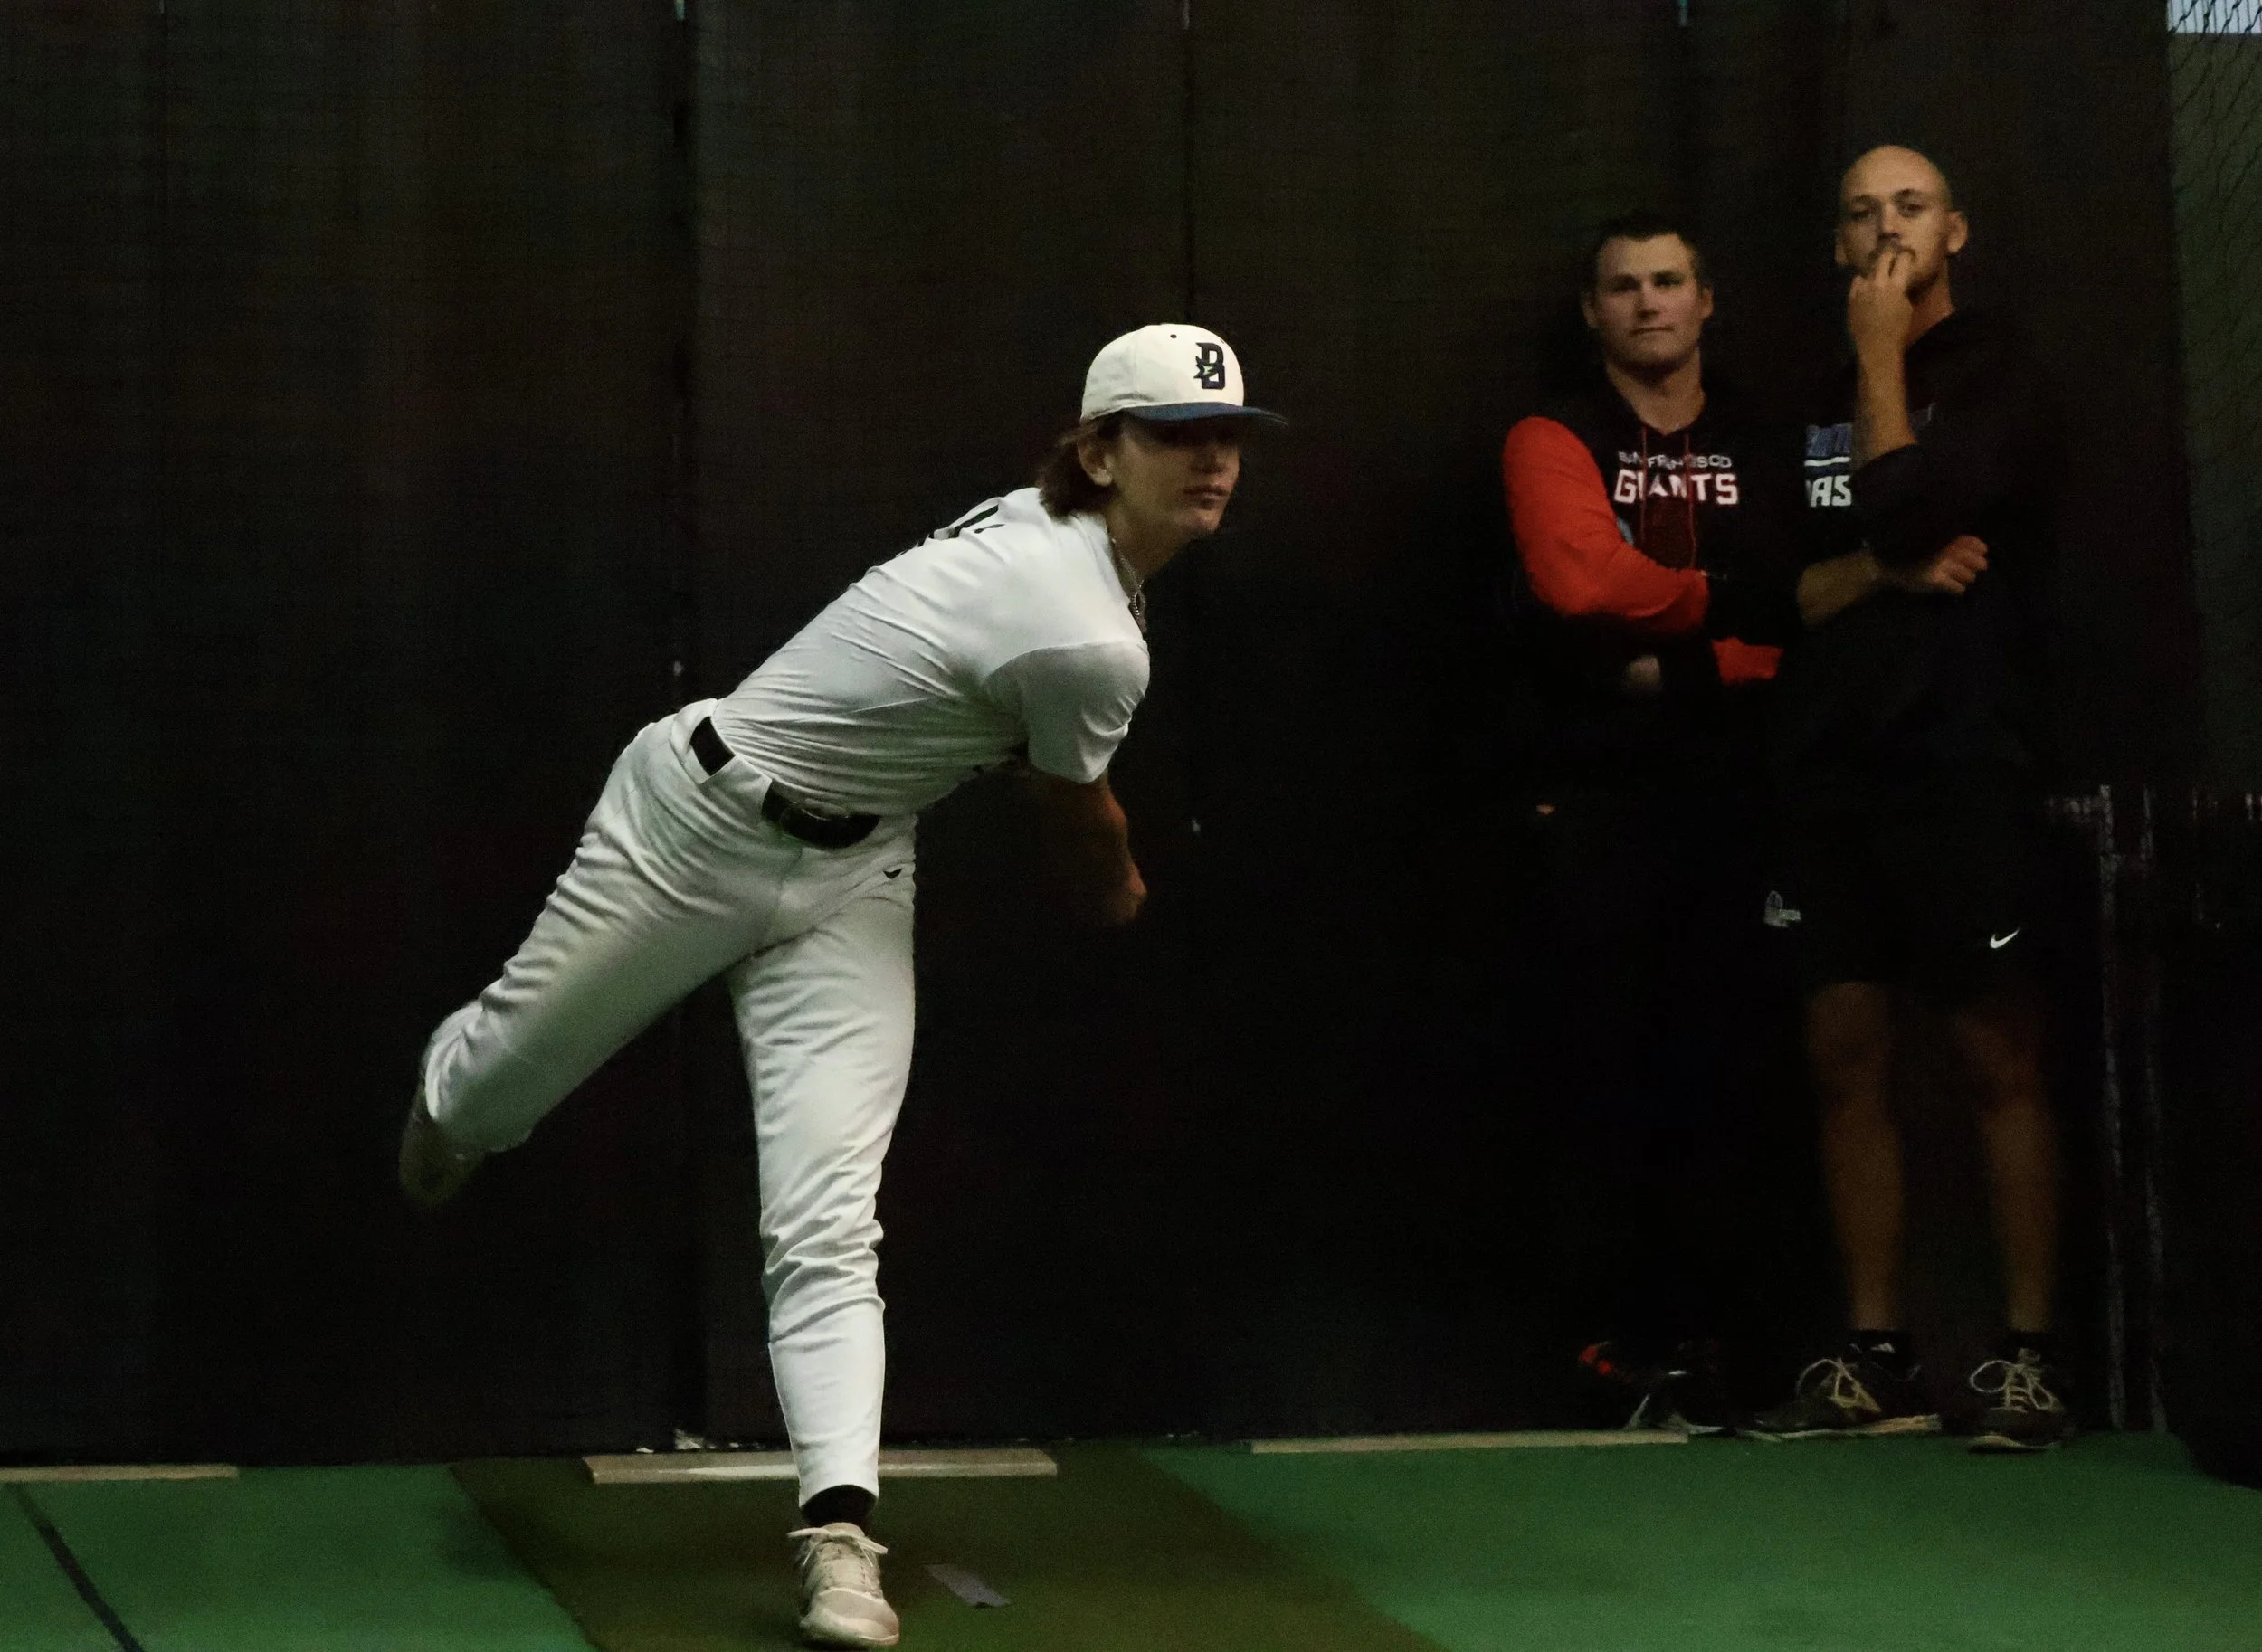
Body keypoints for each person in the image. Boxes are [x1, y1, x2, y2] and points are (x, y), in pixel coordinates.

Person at [397, 324, 1281, 1646]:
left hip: (855, 874)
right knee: (491, 1098)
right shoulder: (1087, 629)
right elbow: (1076, 816)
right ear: (1101, 454)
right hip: (690, 826)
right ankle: (455, 1088)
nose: (1211, 459)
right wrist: (1124, 897)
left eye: (1228, 437)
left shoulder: (1066, 547)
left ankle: (840, 1535)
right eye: (1175, 434)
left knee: (827, 1216)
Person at [1749, 145, 2071, 1452]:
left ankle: (2030, 1359)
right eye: (1861, 212)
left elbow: (1898, 502)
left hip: (1960, 762)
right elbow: (1781, 585)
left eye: (1912, 206)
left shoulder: (1998, 372)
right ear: (1836, 243)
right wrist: (1883, 573)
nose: (1886, 227)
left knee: (1997, 1054)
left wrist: (1881, 354)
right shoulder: (1804, 404)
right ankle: (1873, 1354)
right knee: (1844, 1053)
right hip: (1829, 772)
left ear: (1957, 230)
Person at [1501, 213, 1805, 1431]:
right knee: (1605, 1072)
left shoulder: (1771, 438)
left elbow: (1816, 600)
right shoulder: (1554, 432)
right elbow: (1579, 584)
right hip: (1601, 801)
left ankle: (1740, 1352)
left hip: (1754, 800)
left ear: (1706, 298)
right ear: (1592, 312)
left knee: (1741, 1075)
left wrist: (1666, 652)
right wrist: (1732, 625)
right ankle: (1609, 1354)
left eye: (1667, 281)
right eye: (1621, 287)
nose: (1646, 303)